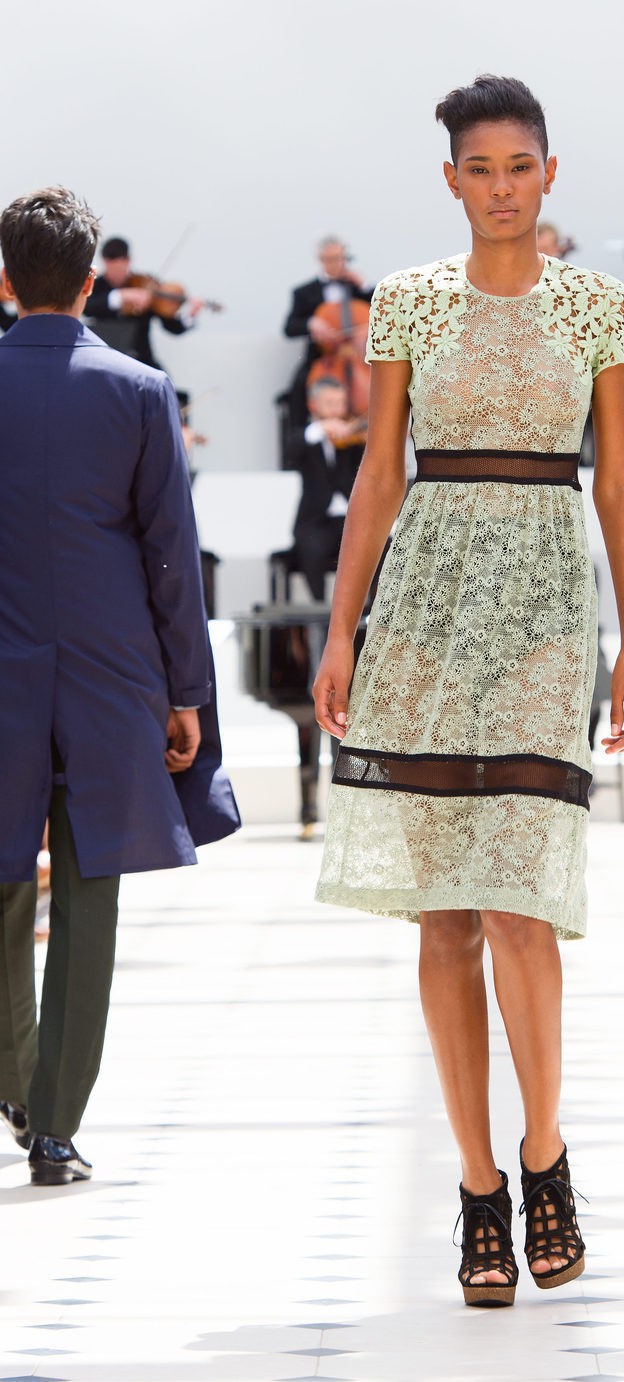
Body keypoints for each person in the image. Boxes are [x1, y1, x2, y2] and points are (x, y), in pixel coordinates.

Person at [312, 75, 624, 1307]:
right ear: (449, 179)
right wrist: (342, 630)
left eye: (521, 165)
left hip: (548, 616)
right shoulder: (402, 301)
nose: (501, 187)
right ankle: (475, 1186)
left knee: (518, 900)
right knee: (442, 913)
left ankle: (544, 1150)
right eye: (480, 167)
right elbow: (377, 476)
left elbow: (617, 483)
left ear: (549, 173)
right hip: (425, 615)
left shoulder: (595, 307)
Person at [0, 187, 239, 1187]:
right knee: (90, 890)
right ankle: (54, 1122)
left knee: (7, 883)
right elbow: (170, 559)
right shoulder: (140, 390)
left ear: (5, 279)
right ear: (93, 278)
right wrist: (186, 692)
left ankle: (15, 1078)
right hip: (112, 672)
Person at [288, 376, 365, 602]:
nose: (336, 410)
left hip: (350, 519)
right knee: (312, 548)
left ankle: (369, 613)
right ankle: (321, 614)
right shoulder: (307, 436)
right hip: (315, 521)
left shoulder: (353, 439)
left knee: (381, 547)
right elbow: (292, 449)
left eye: (340, 403)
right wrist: (321, 428)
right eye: (330, 403)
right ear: (314, 405)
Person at [282, 237, 374, 426]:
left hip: (359, 358)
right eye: (330, 259)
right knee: (299, 386)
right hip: (323, 358)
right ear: (321, 260)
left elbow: (381, 308)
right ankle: (300, 438)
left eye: (340, 258)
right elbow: (289, 327)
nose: (337, 263)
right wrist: (311, 323)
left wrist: (364, 285)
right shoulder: (304, 292)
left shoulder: (358, 289)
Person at [85, 236, 202, 372]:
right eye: (111, 264)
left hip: (141, 360)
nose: (116, 272)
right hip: (105, 360)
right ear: (104, 261)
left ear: (128, 260)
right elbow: (87, 307)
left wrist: (190, 315)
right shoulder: (96, 286)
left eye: (120, 264)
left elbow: (171, 327)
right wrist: (121, 296)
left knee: (164, 383)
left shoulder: (147, 285)